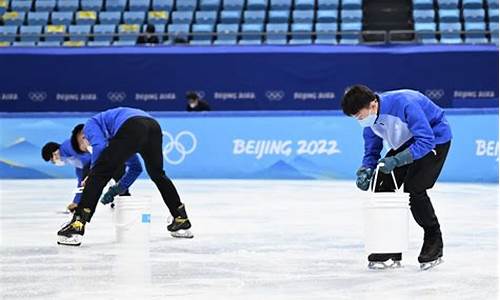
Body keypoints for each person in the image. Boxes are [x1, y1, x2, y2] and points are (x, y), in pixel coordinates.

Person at [341, 85, 452, 270]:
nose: (360, 120)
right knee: (382, 181)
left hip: (435, 139)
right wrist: (366, 170)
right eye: (356, 119)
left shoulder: (406, 104)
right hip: (408, 141)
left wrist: (397, 160)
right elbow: (372, 150)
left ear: (373, 105)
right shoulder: (369, 123)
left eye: (360, 116)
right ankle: (388, 248)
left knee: (414, 187)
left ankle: (433, 239)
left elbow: (426, 140)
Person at [57, 107, 193, 246]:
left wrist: (93, 172)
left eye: (84, 145)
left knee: (98, 174)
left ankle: (77, 225)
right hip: (153, 127)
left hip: (133, 126)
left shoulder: (90, 125)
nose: (88, 147)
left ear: (83, 136)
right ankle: (180, 217)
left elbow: (99, 146)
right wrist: (118, 188)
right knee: (158, 174)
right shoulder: (118, 136)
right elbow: (135, 167)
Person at [41, 124, 142, 212]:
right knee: (115, 179)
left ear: (54, 154)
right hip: (109, 158)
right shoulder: (74, 160)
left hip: (111, 155)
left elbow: (90, 160)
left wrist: (78, 202)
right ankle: (123, 200)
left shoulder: (68, 147)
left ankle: (124, 201)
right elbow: (82, 180)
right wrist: (76, 202)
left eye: (52, 160)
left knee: (117, 177)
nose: (54, 162)